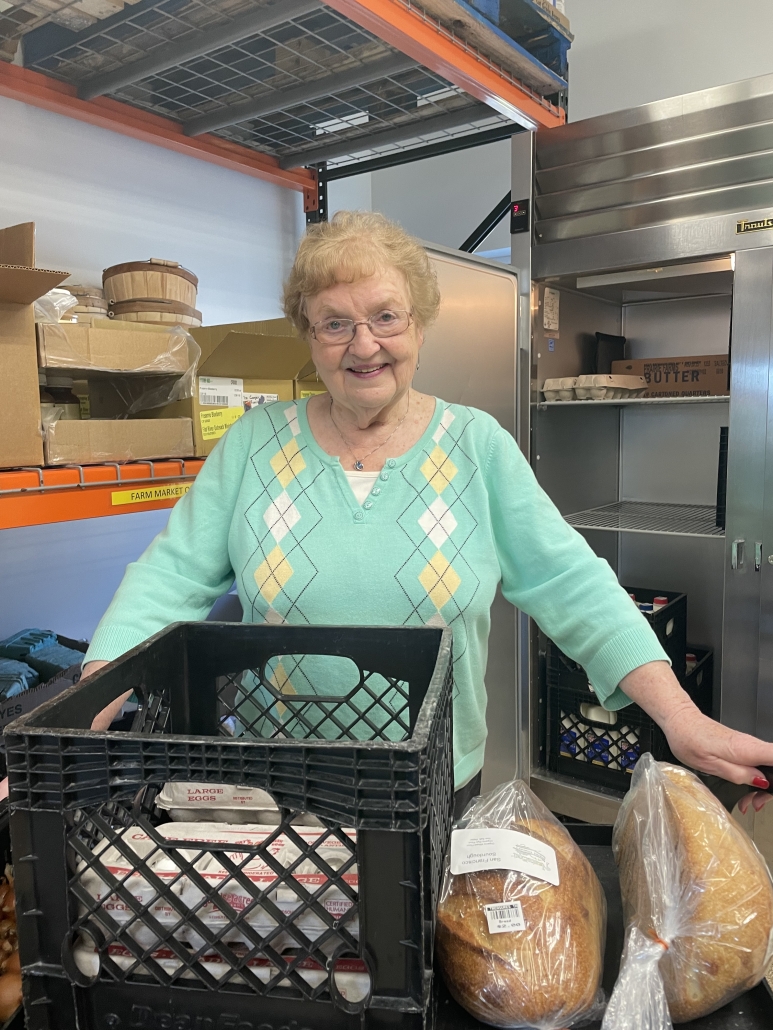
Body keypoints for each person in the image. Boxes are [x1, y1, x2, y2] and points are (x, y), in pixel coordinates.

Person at [82, 211, 773, 812]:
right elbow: (169, 578)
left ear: (419, 323)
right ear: (309, 336)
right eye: (335, 324)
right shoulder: (252, 446)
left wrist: (681, 718)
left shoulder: (475, 446)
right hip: (277, 781)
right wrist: (82, 714)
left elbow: (572, 584)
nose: (363, 345)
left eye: (385, 317)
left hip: (431, 782)